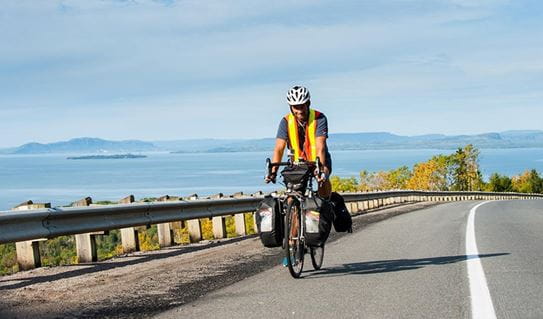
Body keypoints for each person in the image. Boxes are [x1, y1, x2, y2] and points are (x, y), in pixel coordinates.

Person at [265, 85, 332, 199]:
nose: (300, 110)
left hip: (317, 160)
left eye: (302, 106)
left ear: (308, 103)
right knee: (292, 195)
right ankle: (293, 214)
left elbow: (320, 147)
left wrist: (320, 170)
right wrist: (273, 171)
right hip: (297, 163)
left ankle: (326, 204)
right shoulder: (286, 121)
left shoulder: (319, 118)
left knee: (322, 181)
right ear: (291, 107)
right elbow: (279, 148)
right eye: (296, 107)